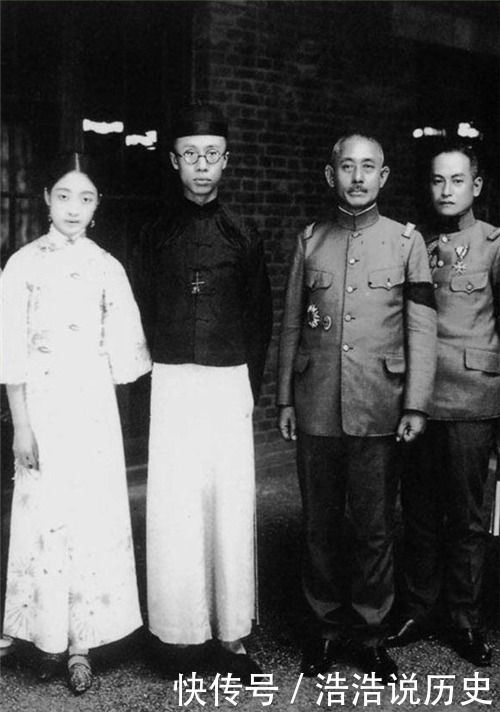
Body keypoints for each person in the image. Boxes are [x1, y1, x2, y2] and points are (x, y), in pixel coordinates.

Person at [277, 133, 437, 683]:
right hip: (317, 402)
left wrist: (415, 404)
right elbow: (292, 324)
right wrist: (285, 398)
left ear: (383, 177)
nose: (358, 177)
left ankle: (370, 634)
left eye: (369, 167)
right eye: (348, 167)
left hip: (379, 404)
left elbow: (421, 328)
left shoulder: (406, 242)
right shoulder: (310, 241)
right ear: (332, 175)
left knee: (374, 528)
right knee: (319, 526)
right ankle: (323, 630)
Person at [0, 154, 151, 694]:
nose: (73, 208)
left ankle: (82, 642)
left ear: (97, 206)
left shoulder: (107, 266)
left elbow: (125, 354)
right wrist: (21, 426)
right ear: (46, 198)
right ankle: (35, 631)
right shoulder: (22, 264)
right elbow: (10, 350)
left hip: (90, 409)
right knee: (43, 514)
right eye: (63, 196)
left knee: (87, 516)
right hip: (39, 406)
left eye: (85, 198)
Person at [140, 104, 273, 682]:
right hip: (173, 382)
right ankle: (179, 635)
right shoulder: (153, 233)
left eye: (211, 155)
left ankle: (231, 634)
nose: (201, 165)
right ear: (174, 162)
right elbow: (141, 312)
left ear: (226, 161)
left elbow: (261, 317)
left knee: (228, 505)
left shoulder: (243, 233)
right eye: (190, 154)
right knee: (176, 507)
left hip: (227, 381)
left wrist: (248, 388)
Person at [388, 143, 499, 666]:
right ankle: (418, 608)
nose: (447, 190)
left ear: (476, 186)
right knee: (419, 510)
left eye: (457, 180)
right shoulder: (418, 245)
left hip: (473, 399)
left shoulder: (494, 246)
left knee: (468, 516)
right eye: (438, 180)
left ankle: (464, 617)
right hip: (421, 399)